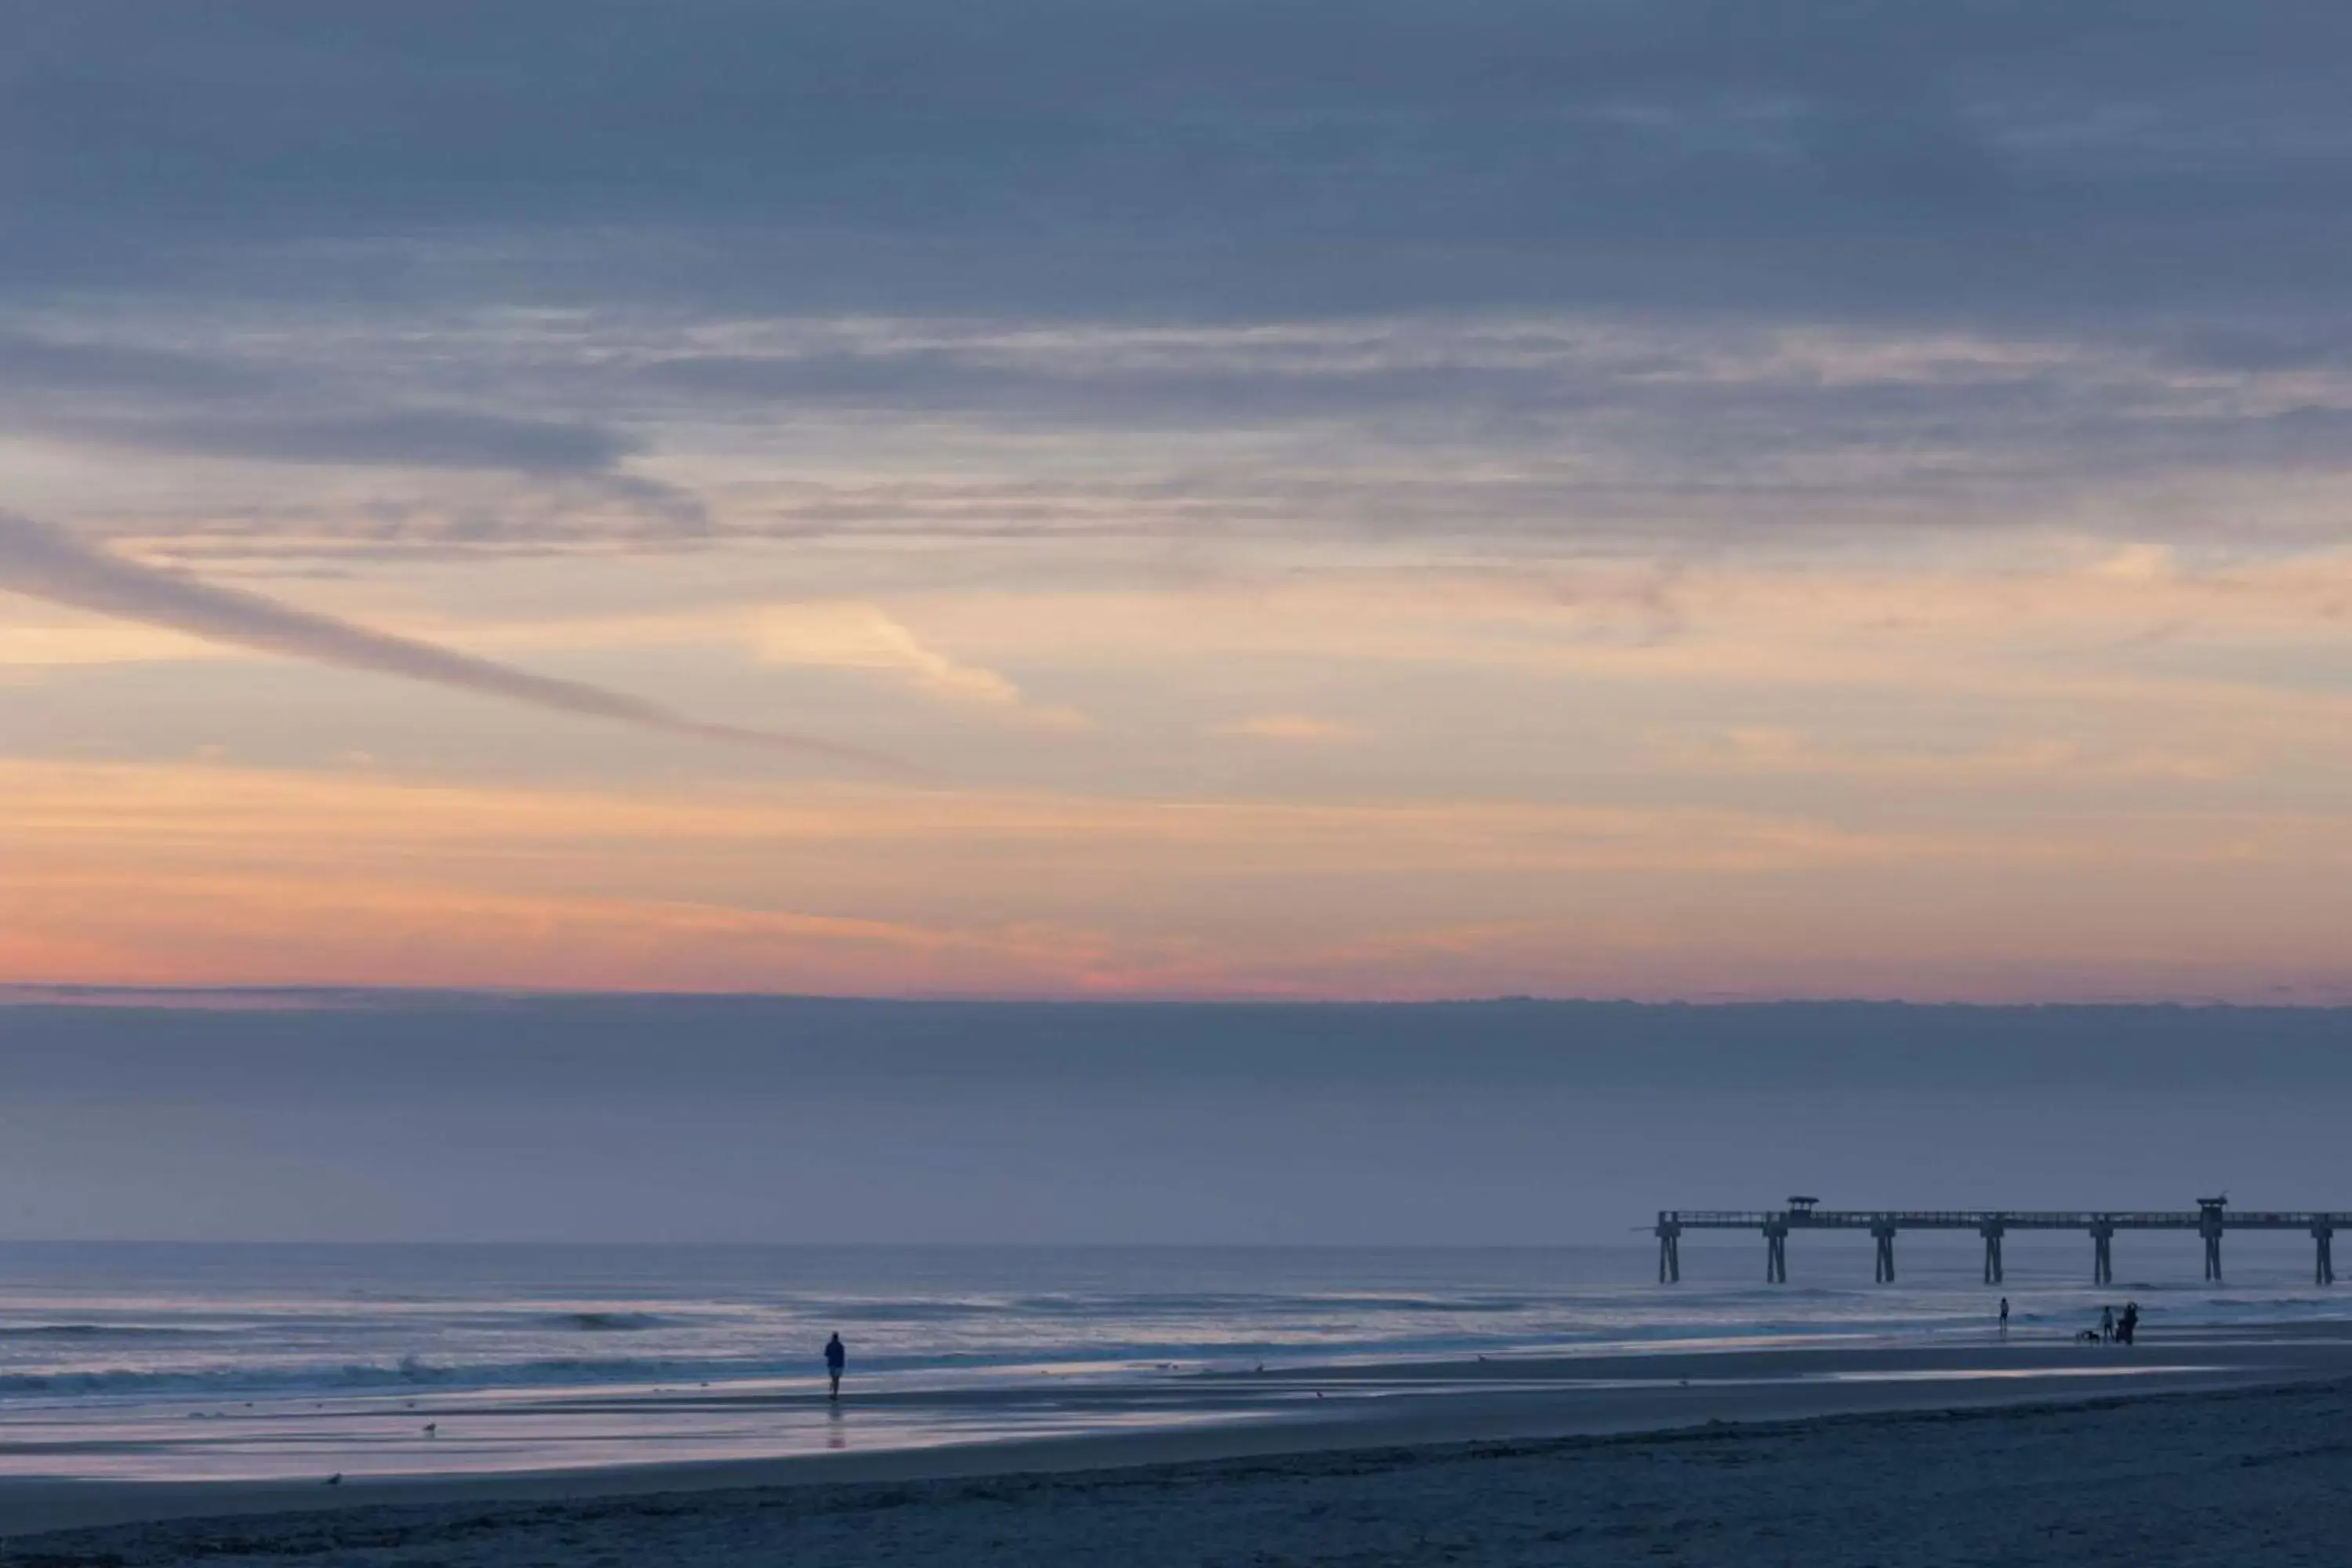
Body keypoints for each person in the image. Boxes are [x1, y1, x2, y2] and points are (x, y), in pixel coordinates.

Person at [825, 1332, 846, 1399]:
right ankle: (835, 1393)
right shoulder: (840, 1345)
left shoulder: (829, 1345)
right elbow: (843, 1355)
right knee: (837, 1379)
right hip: (839, 1364)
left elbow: (826, 1354)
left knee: (833, 1378)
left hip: (832, 1363)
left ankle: (833, 1393)